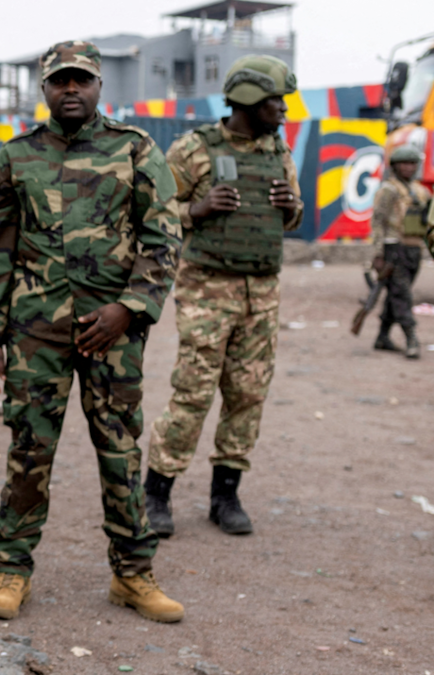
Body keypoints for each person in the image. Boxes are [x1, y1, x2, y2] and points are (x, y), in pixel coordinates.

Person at [0, 41, 184, 624]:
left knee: (120, 452)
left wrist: (130, 308)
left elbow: (163, 238)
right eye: (60, 81)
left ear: (98, 87)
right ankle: (12, 570)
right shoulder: (15, 158)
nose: (72, 90)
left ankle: (133, 574)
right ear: (44, 88)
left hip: (112, 335)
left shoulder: (135, 149)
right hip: (35, 335)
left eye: (82, 80)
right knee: (29, 451)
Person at [143, 55, 304, 538]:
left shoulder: (279, 151)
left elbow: (291, 217)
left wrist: (290, 208)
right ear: (251, 99)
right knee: (193, 391)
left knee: (248, 394)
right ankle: (156, 493)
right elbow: (154, 209)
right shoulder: (196, 149)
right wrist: (197, 208)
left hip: (263, 293)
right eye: (277, 101)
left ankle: (225, 495)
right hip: (208, 290)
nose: (284, 110)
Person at [367, 145, 430, 359]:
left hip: (414, 249)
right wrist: (378, 254)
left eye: (412, 163)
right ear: (395, 166)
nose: (409, 167)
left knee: (396, 295)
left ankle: (382, 337)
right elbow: (378, 222)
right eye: (404, 163)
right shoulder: (389, 190)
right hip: (394, 248)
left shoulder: (422, 192)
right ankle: (411, 338)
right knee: (402, 295)